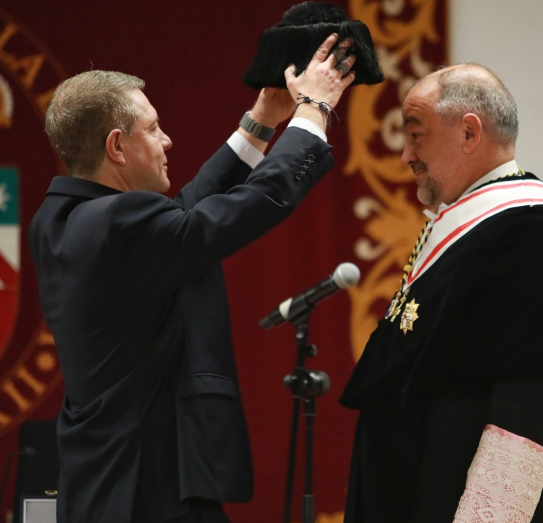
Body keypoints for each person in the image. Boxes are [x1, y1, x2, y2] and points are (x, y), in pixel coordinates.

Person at [29, 34, 356, 523]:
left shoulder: (60, 221)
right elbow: (240, 210)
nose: (167, 140)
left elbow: (180, 216)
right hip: (154, 490)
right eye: (153, 128)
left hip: (104, 487)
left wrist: (263, 119)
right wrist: (312, 113)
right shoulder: (119, 224)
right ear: (117, 147)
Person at [339, 64, 543, 522]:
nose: (405, 156)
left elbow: (534, 399)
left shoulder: (538, 226)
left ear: (468, 133)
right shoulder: (471, 224)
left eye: (416, 134)